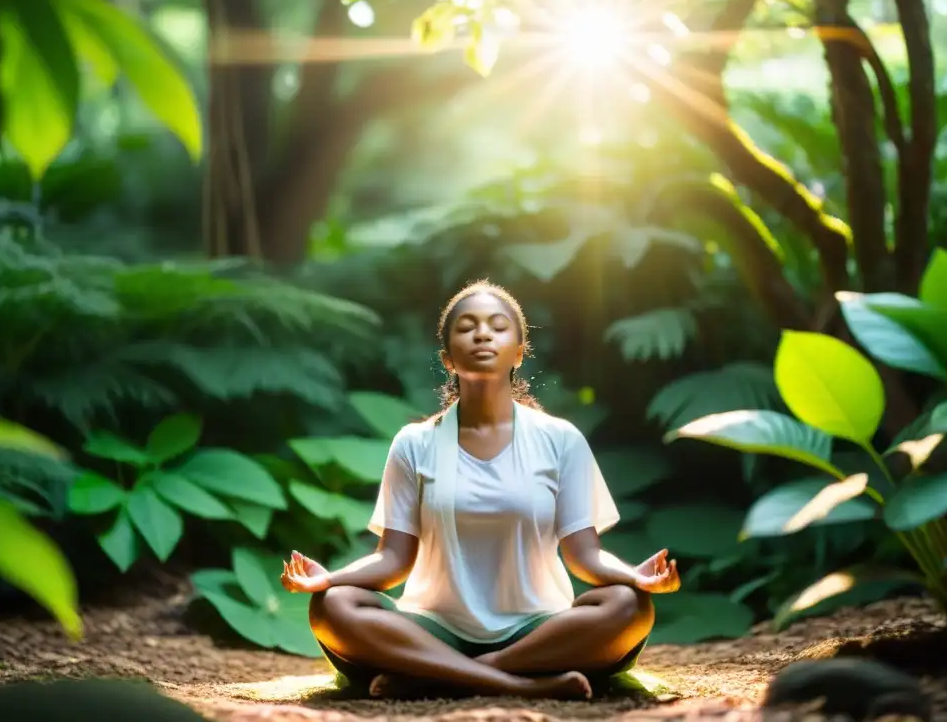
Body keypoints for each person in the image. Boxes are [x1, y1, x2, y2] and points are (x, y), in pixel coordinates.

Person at [279, 281, 681, 701]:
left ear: (520, 351)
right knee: (333, 606)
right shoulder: (414, 443)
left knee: (629, 605)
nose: (482, 334)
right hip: (433, 630)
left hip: (538, 630)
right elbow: (393, 559)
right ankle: (515, 683)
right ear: (448, 358)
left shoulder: (561, 440)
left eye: (497, 325)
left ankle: (436, 677)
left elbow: (584, 556)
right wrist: (329, 579)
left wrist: (634, 576)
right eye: (467, 326)